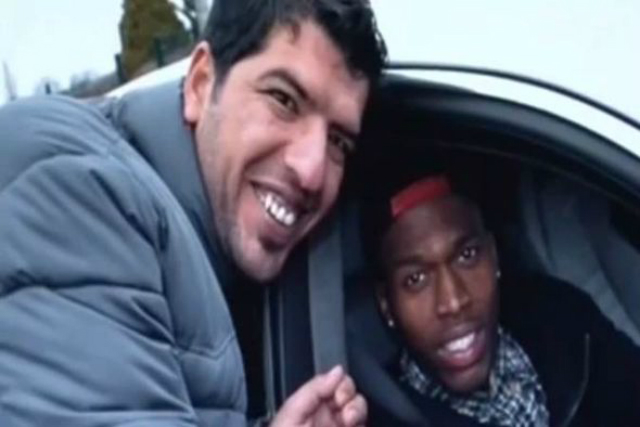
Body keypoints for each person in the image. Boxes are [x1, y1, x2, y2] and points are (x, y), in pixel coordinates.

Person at [0, 1, 387, 426]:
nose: (312, 171)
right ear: (201, 83)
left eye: (338, 142)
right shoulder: (81, 191)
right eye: (283, 100)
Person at [361, 157, 640, 427]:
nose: (453, 301)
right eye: (416, 279)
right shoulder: (383, 417)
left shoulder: (562, 320)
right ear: (386, 304)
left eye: (467, 255)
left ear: (493, 256)